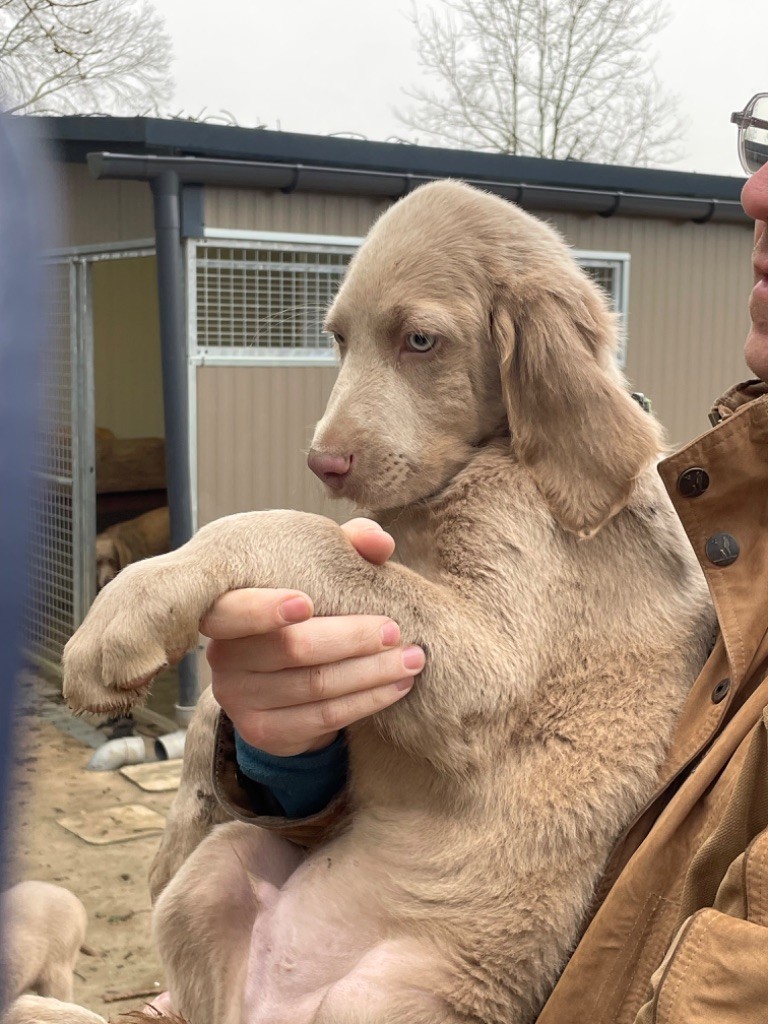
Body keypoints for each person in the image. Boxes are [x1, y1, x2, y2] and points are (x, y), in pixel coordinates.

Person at [201, 94, 768, 1023]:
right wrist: (290, 754)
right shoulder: (711, 486)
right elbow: (490, 739)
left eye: (419, 340)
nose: (755, 190)